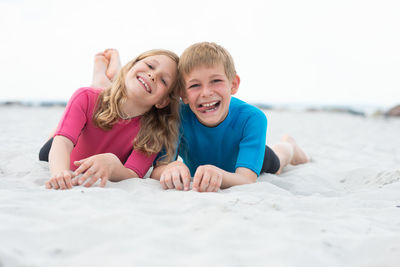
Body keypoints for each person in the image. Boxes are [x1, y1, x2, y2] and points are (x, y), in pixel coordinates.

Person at [151, 42, 309, 192]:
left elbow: (247, 180)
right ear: (183, 94)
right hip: (207, 170)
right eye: (194, 85)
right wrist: (171, 168)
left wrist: (219, 175)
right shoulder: (177, 116)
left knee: (279, 160)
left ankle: (290, 146)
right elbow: (158, 169)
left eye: (216, 81)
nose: (206, 93)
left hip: (253, 160)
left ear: (233, 84)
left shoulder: (252, 118)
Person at [40, 49, 180, 190]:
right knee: (51, 145)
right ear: (131, 66)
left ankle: (103, 79)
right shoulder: (85, 97)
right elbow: (62, 143)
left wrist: (113, 165)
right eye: (150, 66)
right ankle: (101, 77)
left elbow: (133, 174)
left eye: (163, 80)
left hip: (105, 137)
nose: (152, 75)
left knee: (105, 94)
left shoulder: (153, 133)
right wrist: (60, 172)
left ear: (162, 101)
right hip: (60, 150)